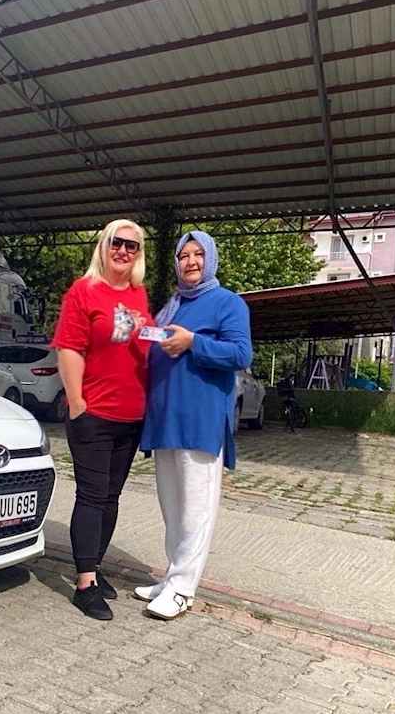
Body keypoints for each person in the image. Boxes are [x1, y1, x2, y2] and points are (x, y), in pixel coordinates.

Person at [135, 230, 252, 620]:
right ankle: (171, 577)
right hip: (166, 421)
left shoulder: (227, 303)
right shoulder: (172, 308)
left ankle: (183, 589)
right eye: (184, 255)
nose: (191, 262)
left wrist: (193, 344)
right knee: (172, 508)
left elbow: (241, 353)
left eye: (198, 254)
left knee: (195, 510)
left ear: (211, 259)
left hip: (199, 421)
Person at [51, 219, 152, 620]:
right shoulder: (84, 291)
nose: (123, 251)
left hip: (131, 417)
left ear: (138, 254)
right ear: (104, 247)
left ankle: (94, 566)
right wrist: (77, 403)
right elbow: (68, 349)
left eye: (132, 245)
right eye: (116, 242)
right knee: (92, 496)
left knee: (111, 497)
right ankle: (84, 584)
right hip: (94, 414)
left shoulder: (139, 295)